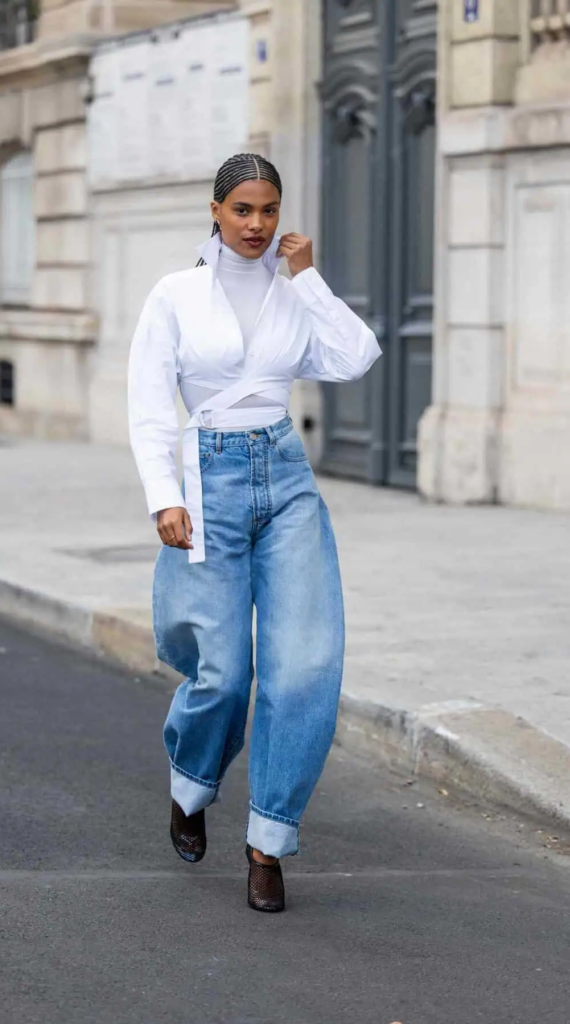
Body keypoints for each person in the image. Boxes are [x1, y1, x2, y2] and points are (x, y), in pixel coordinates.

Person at [128, 153, 381, 913]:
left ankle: (267, 842)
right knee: (223, 675)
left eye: (268, 209)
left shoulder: (291, 291)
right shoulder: (175, 294)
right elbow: (149, 403)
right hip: (207, 479)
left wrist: (309, 279)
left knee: (305, 666)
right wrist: (163, 497)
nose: (257, 224)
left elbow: (356, 357)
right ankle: (191, 786)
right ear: (215, 211)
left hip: (285, 476)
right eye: (242, 209)